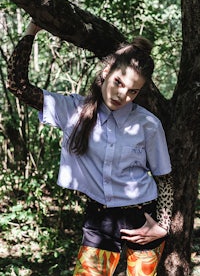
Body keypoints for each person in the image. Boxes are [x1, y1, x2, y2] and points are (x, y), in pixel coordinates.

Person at [7, 20, 173, 276]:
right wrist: (31, 32)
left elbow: (164, 178)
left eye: (133, 91)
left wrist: (162, 225)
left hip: (143, 219)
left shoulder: (148, 124)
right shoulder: (72, 110)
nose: (122, 95)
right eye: (119, 82)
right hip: (100, 220)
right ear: (107, 71)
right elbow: (17, 85)